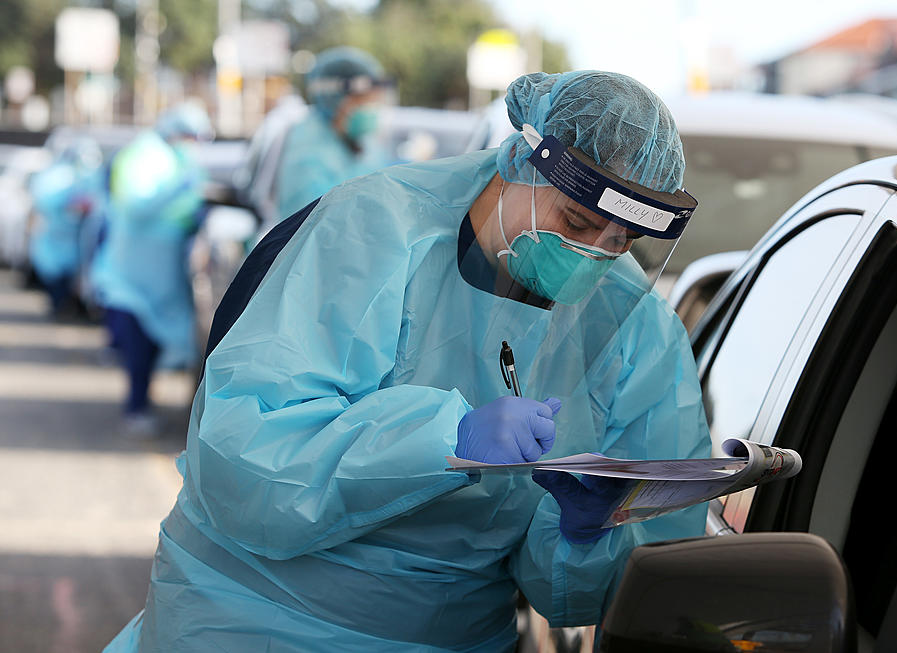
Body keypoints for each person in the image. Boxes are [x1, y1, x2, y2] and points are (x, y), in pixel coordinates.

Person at [105, 70, 711, 651]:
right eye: (576, 221)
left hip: (457, 638)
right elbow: (246, 462)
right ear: (519, 162)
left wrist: (585, 536)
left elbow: (624, 593)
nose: (593, 255)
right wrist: (444, 439)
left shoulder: (631, 331)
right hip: (252, 620)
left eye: (620, 241)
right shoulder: (373, 232)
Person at [92, 102, 212, 437]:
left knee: (160, 340)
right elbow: (136, 206)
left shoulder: (177, 159)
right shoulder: (142, 155)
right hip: (132, 270)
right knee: (138, 341)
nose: (193, 143)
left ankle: (143, 403)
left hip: (163, 270)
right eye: (189, 135)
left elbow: (188, 207)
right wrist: (179, 187)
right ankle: (136, 406)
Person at [275, 46, 393, 218]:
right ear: (336, 100)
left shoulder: (358, 142)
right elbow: (317, 226)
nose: (372, 109)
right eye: (363, 101)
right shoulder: (308, 152)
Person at [27, 137, 103, 317]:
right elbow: (44, 200)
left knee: (78, 276)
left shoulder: (90, 175)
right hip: (56, 234)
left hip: (80, 237)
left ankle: (73, 306)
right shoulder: (57, 176)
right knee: (54, 272)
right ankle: (59, 305)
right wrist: (66, 205)